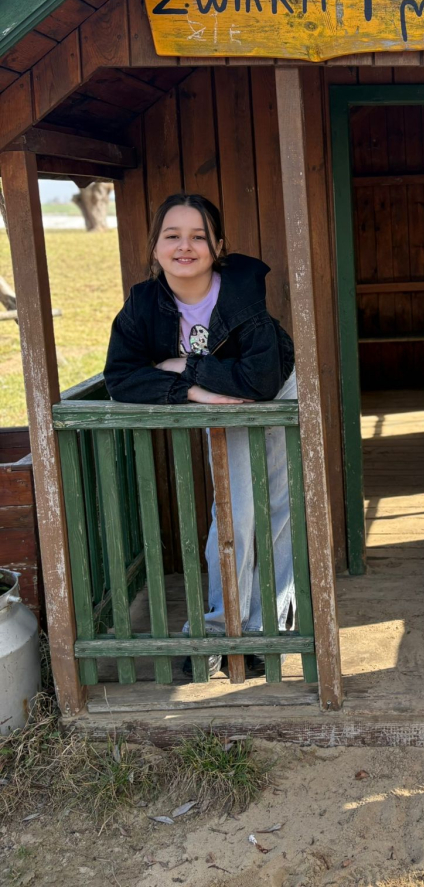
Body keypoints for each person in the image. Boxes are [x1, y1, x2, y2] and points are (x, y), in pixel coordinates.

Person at [104, 193, 297, 679]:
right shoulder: (144, 304)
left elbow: (259, 380)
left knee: (277, 505)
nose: (184, 246)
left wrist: (184, 366)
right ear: (155, 246)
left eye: (199, 236)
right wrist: (194, 391)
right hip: (217, 396)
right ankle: (219, 630)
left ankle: (265, 629)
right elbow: (120, 377)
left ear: (219, 247)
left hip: (274, 391)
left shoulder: (241, 292)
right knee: (236, 510)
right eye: (172, 235)